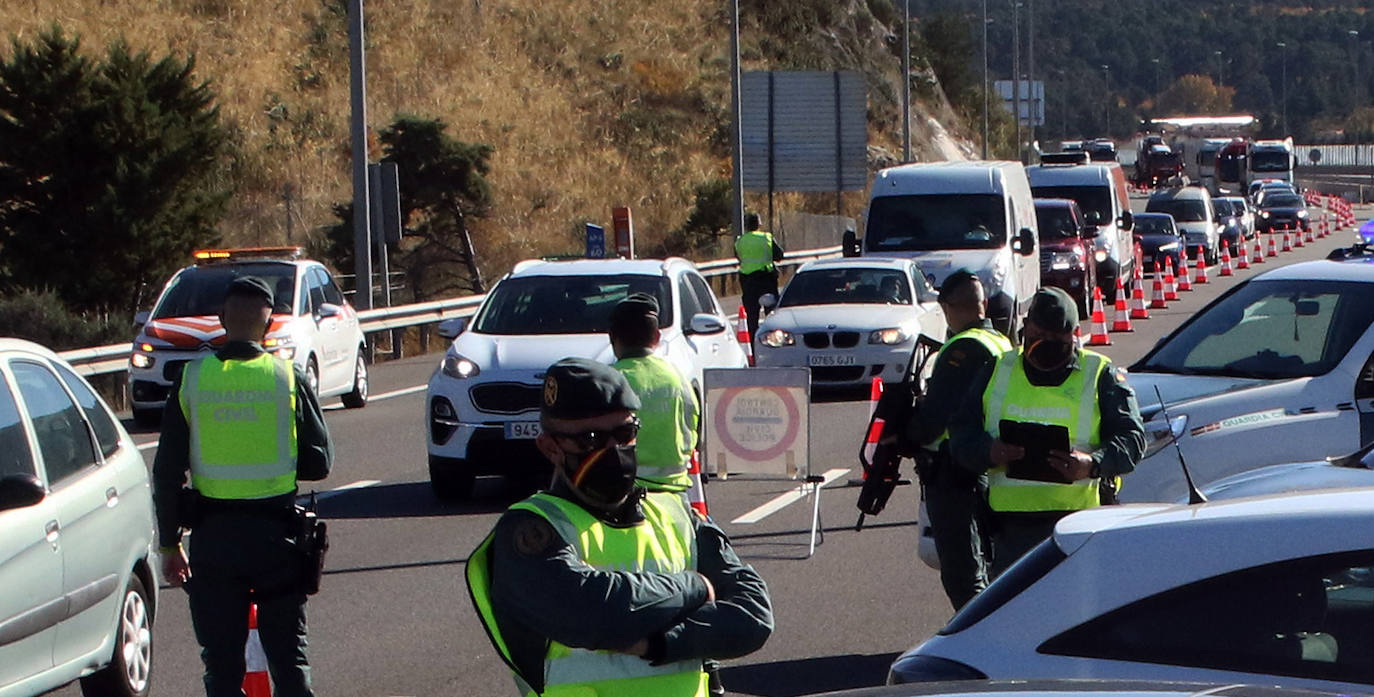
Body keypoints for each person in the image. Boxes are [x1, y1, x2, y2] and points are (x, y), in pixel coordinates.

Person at [467, 358, 772, 697]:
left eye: (625, 433)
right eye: (591, 439)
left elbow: (753, 617)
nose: (612, 451)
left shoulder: (677, 515)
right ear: (550, 447)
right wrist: (695, 587)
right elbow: (592, 613)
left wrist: (656, 643)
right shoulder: (531, 530)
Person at [154, 276, 333, 697]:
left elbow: (166, 472)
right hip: (279, 540)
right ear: (269, 327)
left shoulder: (191, 380)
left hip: (214, 543)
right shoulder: (287, 377)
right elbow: (319, 461)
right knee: (289, 661)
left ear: (220, 320)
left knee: (222, 666)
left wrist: (169, 544)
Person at [949, 287, 1144, 578]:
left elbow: (1132, 440)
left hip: (1081, 526)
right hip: (1011, 532)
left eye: (1056, 338)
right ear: (1025, 327)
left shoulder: (1099, 373)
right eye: (1038, 335)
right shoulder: (998, 370)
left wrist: (1092, 464)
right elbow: (961, 435)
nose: (1045, 345)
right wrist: (989, 451)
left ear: (1075, 334)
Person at [902, 270, 1012, 610]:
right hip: (983, 463)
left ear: (950, 306)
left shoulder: (962, 349)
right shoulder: (1000, 341)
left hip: (951, 469)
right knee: (986, 558)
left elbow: (936, 418)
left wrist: (905, 436)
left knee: (962, 567)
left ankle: (976, 635)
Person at [609, 292, 700, 493]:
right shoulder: (678, 377)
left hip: (627, 494)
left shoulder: (611, 380)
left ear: (613, 338)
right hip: (676, 490)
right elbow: (693, 426)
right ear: (657, 337)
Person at [734, 212, 785, 352]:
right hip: (766, 280)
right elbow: (780, 255)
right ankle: (773, 345)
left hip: (748, 282)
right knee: (771, 315)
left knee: (752, 317)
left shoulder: (740, 241)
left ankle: (754, 348)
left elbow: (738, 257)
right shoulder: (766, 238)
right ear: (759, 224)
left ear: (747, 226)